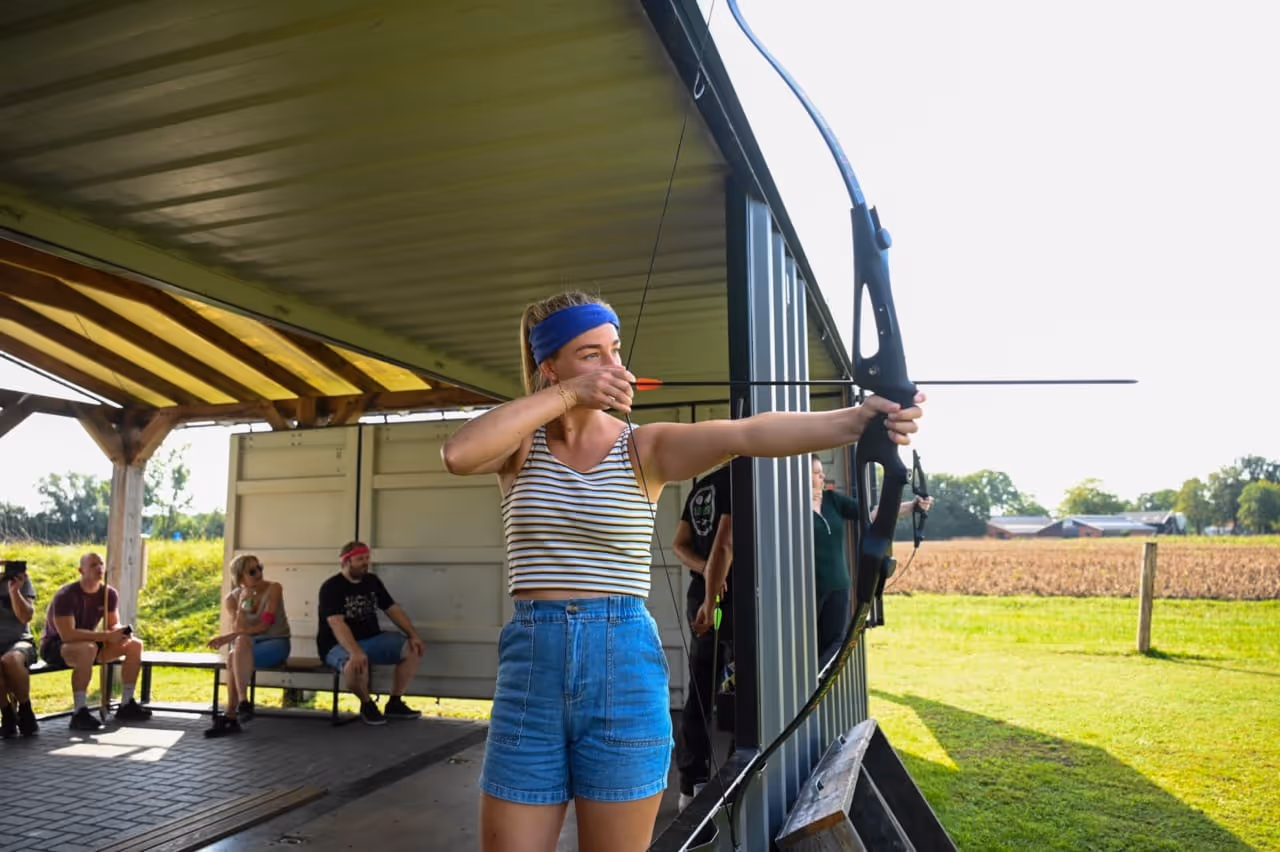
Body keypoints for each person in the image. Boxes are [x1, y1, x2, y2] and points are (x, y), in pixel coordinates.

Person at [440, 290, 924, 852]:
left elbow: (750, 434)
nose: (614, 365)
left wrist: (857, 421)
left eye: (615, 349)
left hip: (620, 657)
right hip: (531, 664)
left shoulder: (644, 448)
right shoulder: (519, 447)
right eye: (590, 354)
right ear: (549, 366)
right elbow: (458, 453)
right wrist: (569, 396)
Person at [810, 455, 932, 666]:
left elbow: (875, 513)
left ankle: (815, 685)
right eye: (816, 472)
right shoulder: (792, 507)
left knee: (836, 642)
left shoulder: (833, 500)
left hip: (839, 585)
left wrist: (913, 506)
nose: (822, 475)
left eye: (822, 471)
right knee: (805, 643)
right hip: (809, 589)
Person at [671, 464, 734, 811]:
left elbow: (679, 546)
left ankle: (689, 786)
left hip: (700, 596)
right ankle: (738, 785)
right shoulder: (739, 479)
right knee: (741, 692)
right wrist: (712, 595)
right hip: (725, 601)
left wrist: (704, 569)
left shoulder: (701, 486)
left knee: (699, 689)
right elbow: (724, 546)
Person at [39, 552, 152, 731]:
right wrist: (106, 637)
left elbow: (112, 623)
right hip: (56, 645)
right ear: (81, 570)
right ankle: (79, 712)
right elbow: (67, 635)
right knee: (87, 649)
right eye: (93, 565)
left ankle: (126, 704)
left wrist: (119, 632)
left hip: (89, 644)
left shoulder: (108, 594)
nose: (99, 568)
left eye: (101, 564)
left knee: (134, 645)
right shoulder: (66, 595)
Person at [316, 541, 426, 726]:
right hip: (337, 644)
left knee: (412, 648)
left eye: (367, 558)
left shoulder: (372, 581)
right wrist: (355, 652)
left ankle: (395, 702)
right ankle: (367, 704)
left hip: (373, 639)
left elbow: (392, 609)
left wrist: (413, 634)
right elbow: (336, 623)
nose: (365, 562)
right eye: (360, 559)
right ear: (347, 561)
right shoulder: (332, 587)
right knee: (355, 665)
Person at [204, 554, 291, 737]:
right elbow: (240, 628)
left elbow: (265, 624)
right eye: (252, 571)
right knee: (238, 647)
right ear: (240, 576)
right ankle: (242, 703)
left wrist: (230, 637)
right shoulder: (231, 599)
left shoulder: (274, 588)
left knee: (235, 652)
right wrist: (244, 604)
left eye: (260, 568)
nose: (258, 573)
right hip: (247, 646)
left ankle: (231, 715)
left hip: (275, 642)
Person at [1, 559, 38, 738]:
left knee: (10, 660)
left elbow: (26, 617)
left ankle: (25, 710)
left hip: (20, 641)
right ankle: (6, 713)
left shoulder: (20, 581)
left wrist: (14, 590)